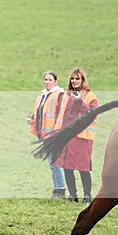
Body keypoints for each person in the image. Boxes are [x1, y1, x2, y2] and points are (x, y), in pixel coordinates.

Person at [54, 68, 98, 203]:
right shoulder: (67, 95)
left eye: (77, 78)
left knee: (83, 167)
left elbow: (92, 115)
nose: (74, 81)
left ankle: (87, 195)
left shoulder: (90, 96)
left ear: (83, 80)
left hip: (83, 138)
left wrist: (80, 102)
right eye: (72, 79)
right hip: (68, 136)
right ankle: (73, 195)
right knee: (67, 166)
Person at [28, 70, 66, 198]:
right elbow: (40, 112)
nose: (47, 82)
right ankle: (58, 189)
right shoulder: (42, 95)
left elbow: (61, 114)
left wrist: (57, 132)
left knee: (54, 162)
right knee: (52, 162)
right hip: (44, 133)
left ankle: (60, 190)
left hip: (54, 134)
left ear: (55, 81)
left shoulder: (59, 94)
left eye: (50, 80)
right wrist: (32, 118)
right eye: (46, 79)